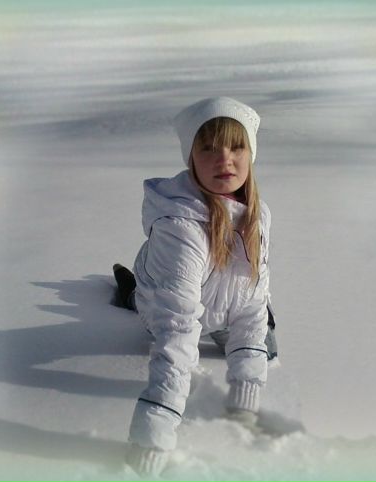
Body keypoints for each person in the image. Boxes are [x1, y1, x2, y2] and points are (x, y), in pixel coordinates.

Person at [113, 97, 277, 476]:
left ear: (251, 154)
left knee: (263, 342)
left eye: (236, 147)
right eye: (208, 148)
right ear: (190, 157)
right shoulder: (180, 229)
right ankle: (130, 289)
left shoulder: (258, 215)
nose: (224, 160)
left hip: (219, 308)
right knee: (148, 303)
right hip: (167, 305)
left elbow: (252, 301)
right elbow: (178, 328)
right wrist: (154, 431)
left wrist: (245, 399)